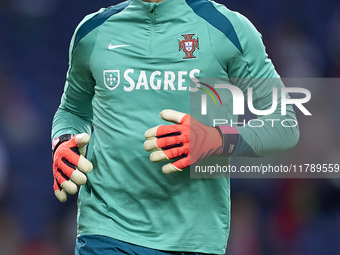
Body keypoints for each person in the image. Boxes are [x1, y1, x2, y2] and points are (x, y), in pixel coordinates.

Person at [51, 0, 299, 254]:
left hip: (193, 239)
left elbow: (285, 124)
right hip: (106, 231)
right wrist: (63, 139)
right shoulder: (92, 32)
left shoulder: (227, 29)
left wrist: (217, 139)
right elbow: (72, 110)